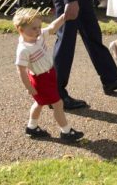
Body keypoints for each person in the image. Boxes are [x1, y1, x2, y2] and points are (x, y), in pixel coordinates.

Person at [13, 9, 84, 142]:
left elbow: (52, 28)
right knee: (58, 103)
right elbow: (21, 70)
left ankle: (32, 127)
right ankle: (66, 131)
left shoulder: (38, 37)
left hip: (49, 75)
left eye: (39, 27)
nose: (38, 30)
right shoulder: (23, 49)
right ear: (20, 29)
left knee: (39, 103)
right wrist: (29, 88)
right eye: (34, 28)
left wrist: (63, 17)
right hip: (40, 80)